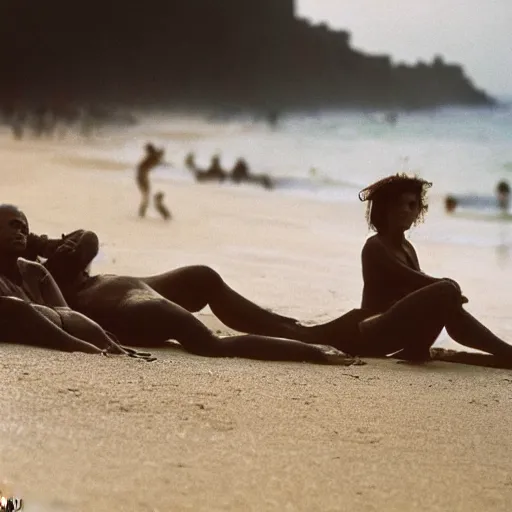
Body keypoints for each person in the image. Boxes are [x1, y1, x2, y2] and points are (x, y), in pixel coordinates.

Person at [25, 226, 351, 365]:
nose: (18, 234)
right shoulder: (24, 274)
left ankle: (297, 330)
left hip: (116, 284)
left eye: (20, 228)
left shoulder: (48, 256)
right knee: (212, 344)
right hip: (125, 307)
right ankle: (311, 349)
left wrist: (44, 244)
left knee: (201, 277)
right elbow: (50, 315)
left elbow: (87, 237)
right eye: (10, 229)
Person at [310, 174, 512, 363]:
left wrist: (446, 293)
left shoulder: (408, 247)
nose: (406, 209)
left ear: (419, 212)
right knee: (446, 290)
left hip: (397, 329)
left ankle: (504, 352)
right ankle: (505, 352)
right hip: (370, 330)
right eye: (399, 204)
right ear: (385, 209)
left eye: (412, 205)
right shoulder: (375, 246)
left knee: (448, 299)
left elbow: (418, 290)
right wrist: (447, 287)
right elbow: (411, 279)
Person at [0, 204, 153, 360]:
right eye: (14, 227)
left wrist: (104, 338)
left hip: (55, 322)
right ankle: (85, 347)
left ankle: (107, 346)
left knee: (87, 239)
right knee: (16, 306)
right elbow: (16, 312)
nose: (21, 234)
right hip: (28, 327)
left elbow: (68, 314)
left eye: (24, 230)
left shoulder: (35, 272)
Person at [136, 143, 165, 218]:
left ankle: (142, 213)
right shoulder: (154, 157)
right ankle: (141, 213)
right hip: (142, 176)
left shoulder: (153, 157)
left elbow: (143, 167)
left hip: (142, 175)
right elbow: (144, 167)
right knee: (146, 195)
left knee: (146, 195)